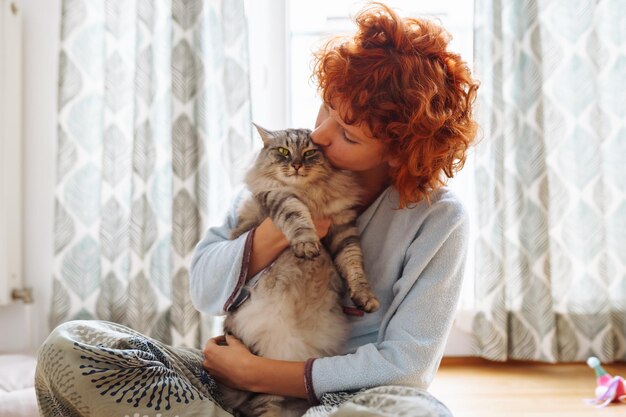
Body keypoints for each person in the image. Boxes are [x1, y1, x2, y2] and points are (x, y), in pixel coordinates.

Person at [35, 3, 478, 416]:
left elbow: (408, 368)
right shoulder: (278, 175)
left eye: (347, 134)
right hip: (231, 385)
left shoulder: (438, 219)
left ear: (399, 154)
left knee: (416, 412)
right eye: (326, 107)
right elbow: (205, 290)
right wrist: (274, 233)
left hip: (345, 397)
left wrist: (260, 374)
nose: (319, 135)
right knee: (72, 349)